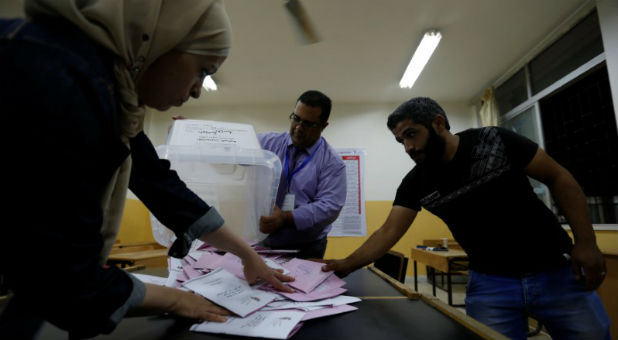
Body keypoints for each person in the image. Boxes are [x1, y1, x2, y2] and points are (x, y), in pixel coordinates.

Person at [0, 1, 293, 339]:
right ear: (161, 41)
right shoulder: (64, 81)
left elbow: (163, 187)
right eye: (202, 70)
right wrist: (179, 300)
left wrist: (247, 255)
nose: (198, 90)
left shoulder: (111, 94)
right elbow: (66, 280)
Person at [322, 97, 610, 340]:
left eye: (411, 134)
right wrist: (344, 265)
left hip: (556, 271)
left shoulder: (495, 140)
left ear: (438, 123)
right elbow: (388, 232)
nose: (407, 147)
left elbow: (559, 177)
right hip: (490, 283)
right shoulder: (416, 182)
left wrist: (586, 242)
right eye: (400, 141)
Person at [258, 90, 347, 259]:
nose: (299, 128)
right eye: (296, 118)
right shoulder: (267, 143)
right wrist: (199, 133)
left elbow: (329, 206)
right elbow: (237, 148)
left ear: (323, 126)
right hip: (264, 242)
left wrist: (285, 217)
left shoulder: (332, 163)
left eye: (308, 123)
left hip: (307, 248)